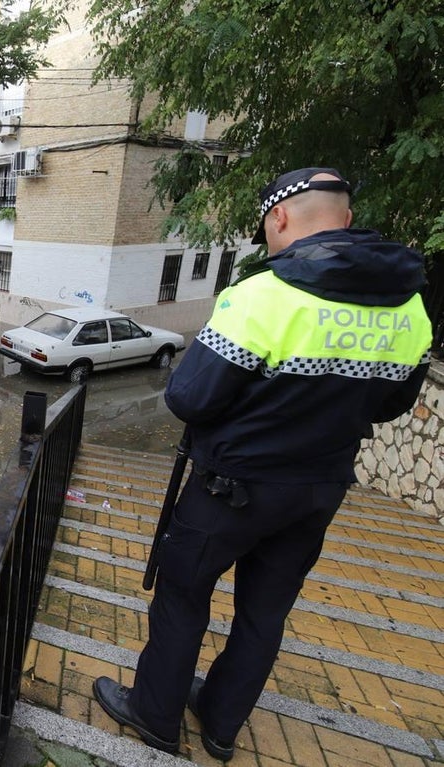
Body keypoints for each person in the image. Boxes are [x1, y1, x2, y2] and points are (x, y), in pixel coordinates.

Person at [92, 167, 434, 760]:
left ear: (279, 218)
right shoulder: (411, 307)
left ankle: (155, 715)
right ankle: (221, 725)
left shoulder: (264, 294)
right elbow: (390, 405)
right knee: (264, 613)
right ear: (346, 220)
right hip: (318, 491)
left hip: (232, 490)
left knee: (182, 594)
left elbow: (189, 398)